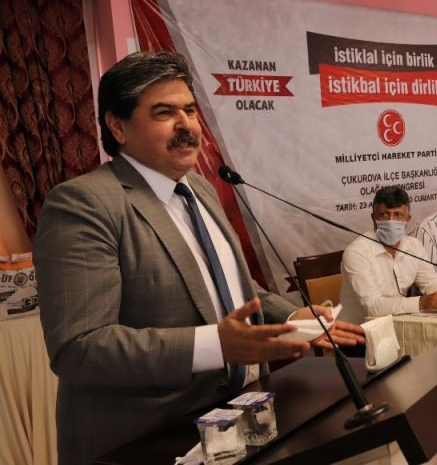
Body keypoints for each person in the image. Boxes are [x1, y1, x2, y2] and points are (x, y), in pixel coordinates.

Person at [33, 51, 364, 465]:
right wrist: (215, 345)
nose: (186, 125)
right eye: (164, 112)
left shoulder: (200, 189)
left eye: (190, 110)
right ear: (117, 126)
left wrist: (295, 320)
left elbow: (237, 290)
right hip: (147, 441)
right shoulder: (85, 203)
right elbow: (79, 348)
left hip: (242, 422)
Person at [339, 185, 437, 325]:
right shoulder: (356, 253)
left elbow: (430, 283)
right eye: (384, 214)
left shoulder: (414, 246)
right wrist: (421, 303)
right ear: (373, 218)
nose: (391, 221)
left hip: (399, 324)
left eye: (398, 215)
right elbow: (373, 307)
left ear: (408, 219)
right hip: (358, 331)